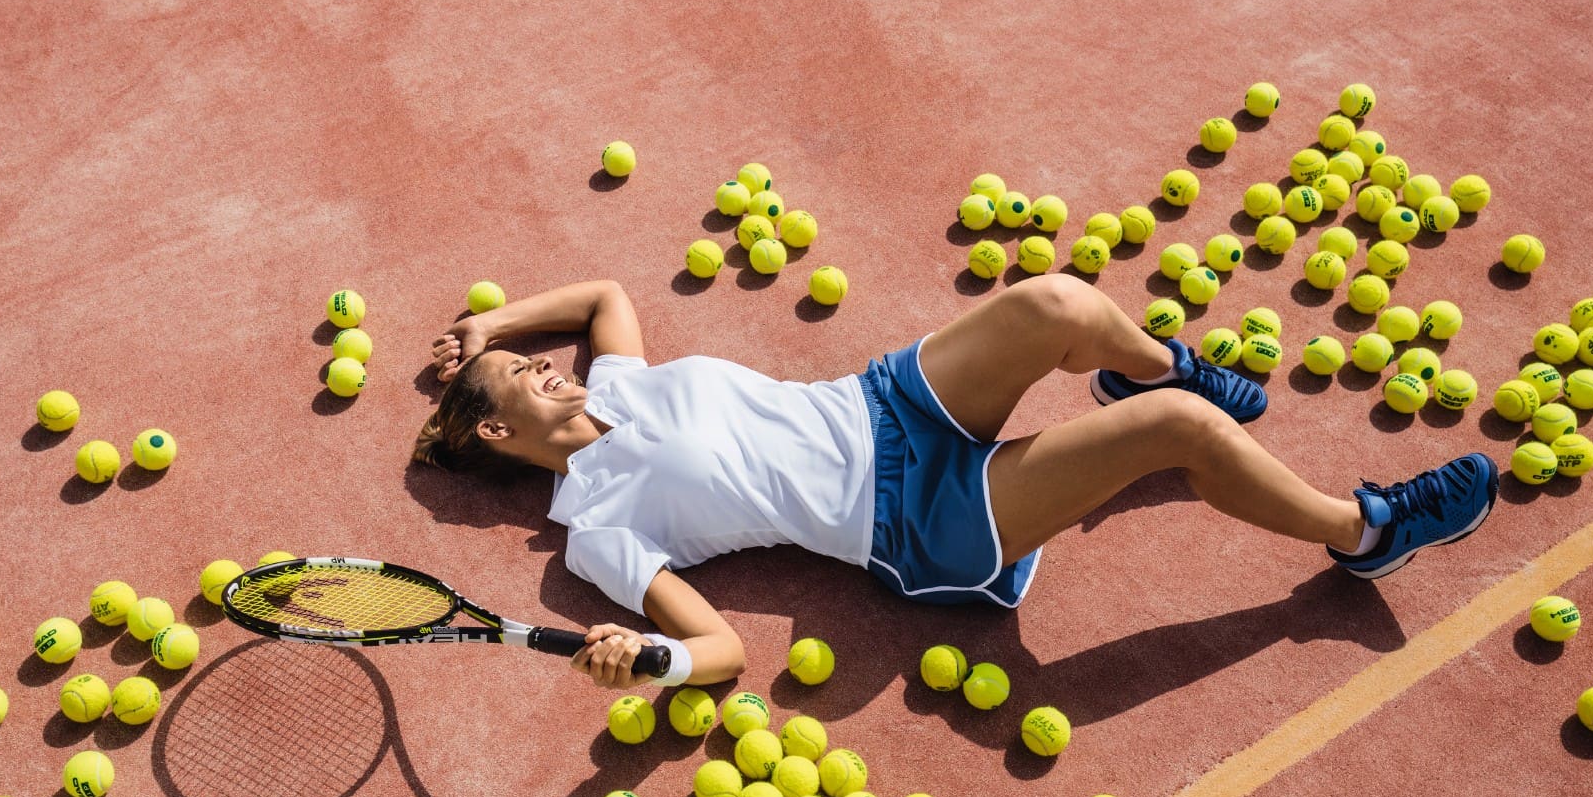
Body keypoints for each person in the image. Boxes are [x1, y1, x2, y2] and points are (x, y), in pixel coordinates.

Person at [416, 277, 1496, 690]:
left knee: (1061, 304)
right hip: (909, 520)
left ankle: (1145, 353)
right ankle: (1366, 529)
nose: (546, 361)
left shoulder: (625, 382)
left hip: (884, 403)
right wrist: (644, 659)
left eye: (536, 354)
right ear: (503, 429)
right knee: (1175, 431)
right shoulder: (595, 529)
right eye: (523, 373)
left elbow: (603, 290)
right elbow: (721, 651)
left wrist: (491, 326)